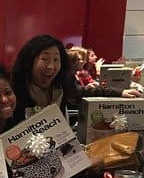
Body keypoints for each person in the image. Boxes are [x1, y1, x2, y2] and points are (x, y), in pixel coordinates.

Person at [11, 34, 140, 123]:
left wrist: (120, 92)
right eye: (44, 59)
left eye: (56, 59)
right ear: (29, 61)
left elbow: (87, 91)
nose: (51, 66)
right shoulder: (14, 92)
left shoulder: (61, 86)